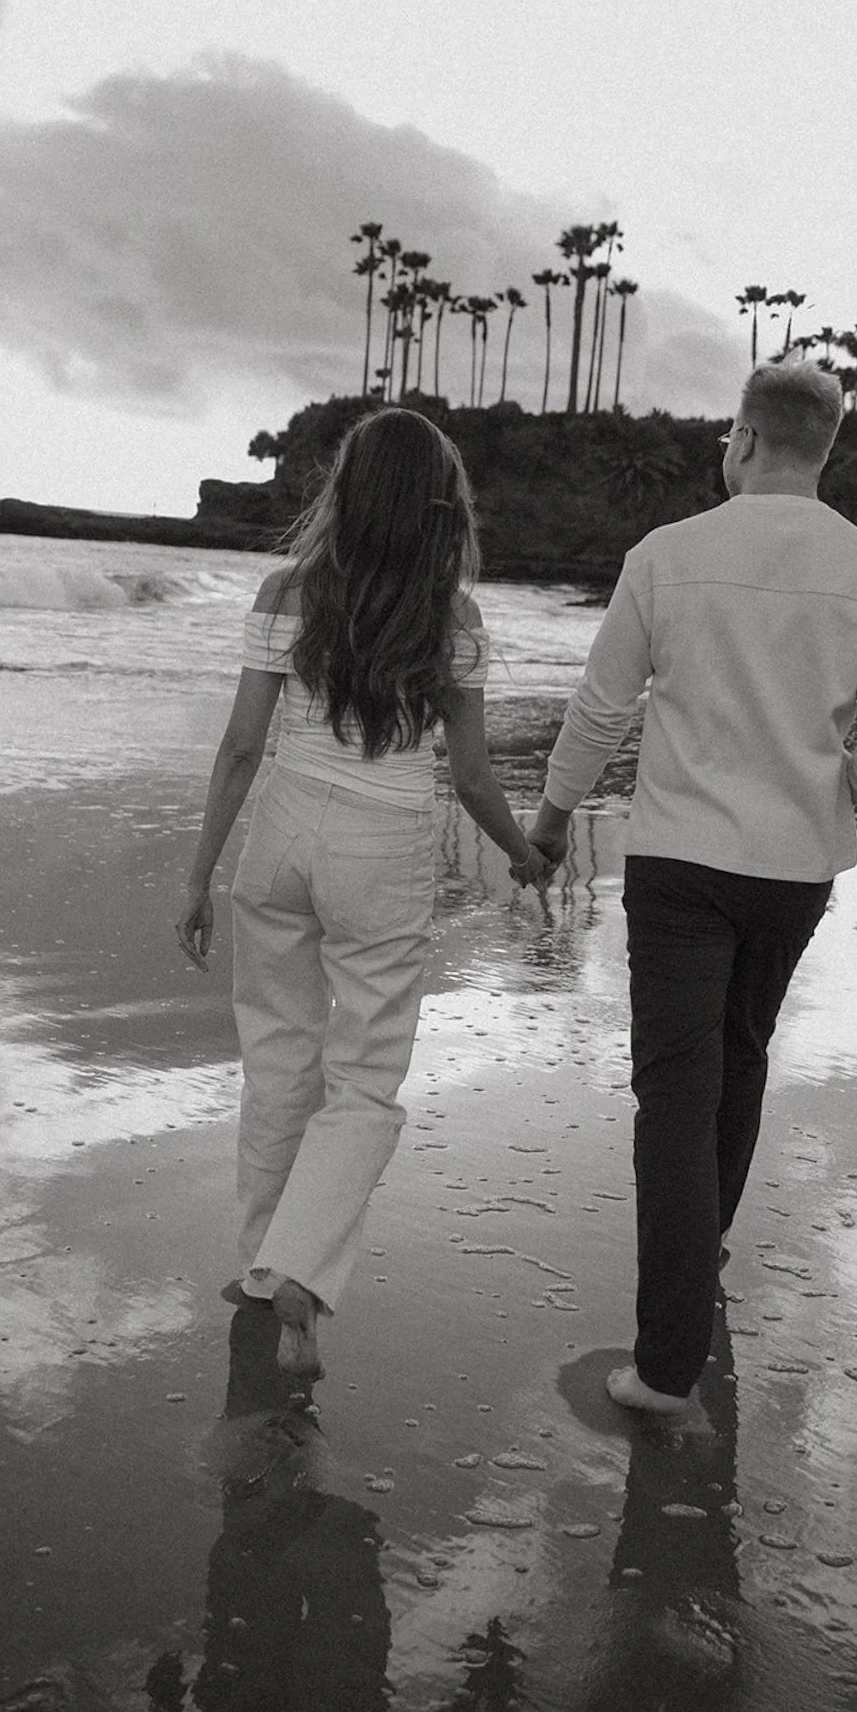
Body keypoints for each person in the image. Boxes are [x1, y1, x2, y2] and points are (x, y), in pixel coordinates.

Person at [526, 361, 857, 1413]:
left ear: (745, 439)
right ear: (824, 448)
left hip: (679, 862)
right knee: (738, 1057)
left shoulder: (668, 555)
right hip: (791, 871)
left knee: (673, 1088)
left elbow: (602, 707)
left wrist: (551, 815)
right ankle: (697, 1267)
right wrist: (818, 790)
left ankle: (664, 1365)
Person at [176, 406, 548, 1378]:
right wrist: (522, 853)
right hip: (382, 851)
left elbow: (242, 745)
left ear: (346, 489)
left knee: (278, 1055)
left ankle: (263, 1264)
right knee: (365, 1078)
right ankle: (301, 1261)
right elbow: (469, 778)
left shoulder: (284, 590)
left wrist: (198, 874)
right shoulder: (451, 617)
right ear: (437, 506)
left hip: (282, 837)